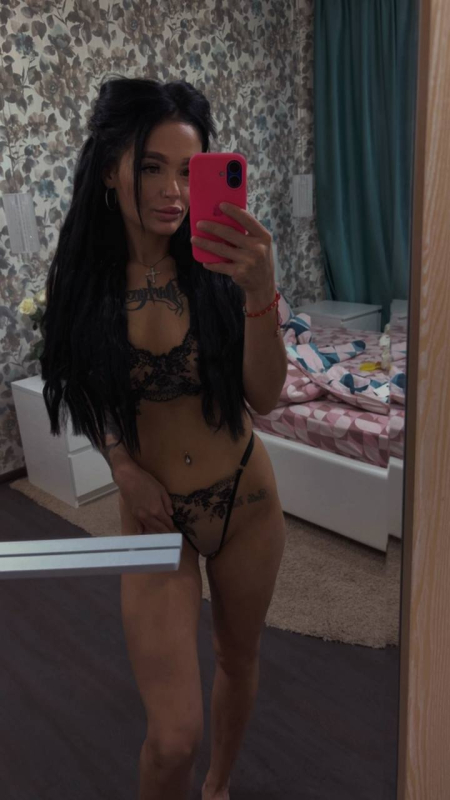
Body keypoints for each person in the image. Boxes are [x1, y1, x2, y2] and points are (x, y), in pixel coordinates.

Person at [40, 76, 287, 800]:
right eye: (152, 166)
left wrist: (260, 293)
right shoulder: (84, 283)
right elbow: (79, 382)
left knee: (238, 659)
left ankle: (218, 787)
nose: (173, 191)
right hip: (153, 520)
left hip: (246, 502)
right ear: (110, 165)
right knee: (172, 735)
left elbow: (266, 396)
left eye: (188, 169)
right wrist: (120, 463)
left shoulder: (219, 266)